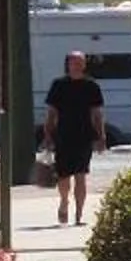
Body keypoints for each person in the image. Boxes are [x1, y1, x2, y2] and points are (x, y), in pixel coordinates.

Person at [41, 51, 106, 227]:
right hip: (63, 134)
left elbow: (97, 114)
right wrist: (47, 134)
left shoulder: (91, 86)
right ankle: (64, 202)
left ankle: (79, 214)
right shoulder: (59, 85)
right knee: (63, 175)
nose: (77, 65)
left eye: (80, 62)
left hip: (84, 135)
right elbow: (51, 113)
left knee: (81, 175)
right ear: (68, 64)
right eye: (74, 62)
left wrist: (101, 136)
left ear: (84, 65)